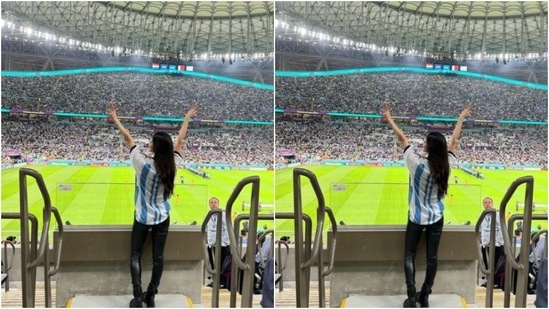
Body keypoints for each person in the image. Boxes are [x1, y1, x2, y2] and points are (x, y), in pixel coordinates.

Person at [382, 103, 471, 308]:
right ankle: (425, 296)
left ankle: (412, 297)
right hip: (436, 217)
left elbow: (402, 138)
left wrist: (390, 119)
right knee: (432, 258)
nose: (422, 143)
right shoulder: (447, 165)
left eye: (425, 142)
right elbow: (454, 140)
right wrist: (460, 117)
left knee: (409, 255)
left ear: (429, 147)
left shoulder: (416, 163)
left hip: (416, 216)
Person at [109, 103, 198, 308]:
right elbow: (180, 140)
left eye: (151, 141)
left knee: (135, 256)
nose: (148, 143)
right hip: (162, 217)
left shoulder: (142, 164)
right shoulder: (173, 164)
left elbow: (128, 138)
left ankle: (138, 297)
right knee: (158, 258)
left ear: (155, 147)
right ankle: (151, 295)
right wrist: (186, 117)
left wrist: (116, 120)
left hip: (142, 216)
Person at [480, 196, 505, 288]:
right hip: (485, 244)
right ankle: (490, 281)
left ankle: (497, 282)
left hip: (496, 245)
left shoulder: (497, 215)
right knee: (488, 264)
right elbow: (480, 228)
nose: (487, 204)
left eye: (489, 202)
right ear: (483, 204)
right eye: (485, 202)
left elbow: (502, 229)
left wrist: (497, 242)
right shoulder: (481, 215)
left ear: (492, 204)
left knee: (497, 264)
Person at [206, 196, 231, 288]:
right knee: (213, 264)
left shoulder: (224, 215)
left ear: (218, 204)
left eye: (215, 202)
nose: (213, 204)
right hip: (211, 244)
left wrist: (224, 242)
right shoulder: (208, 215)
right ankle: (216, 281)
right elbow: (206, 228)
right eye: (211, 202)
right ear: (209, 204)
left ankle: (223, 282)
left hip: (223, 244)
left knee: (223, 264)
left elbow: (228, 229)